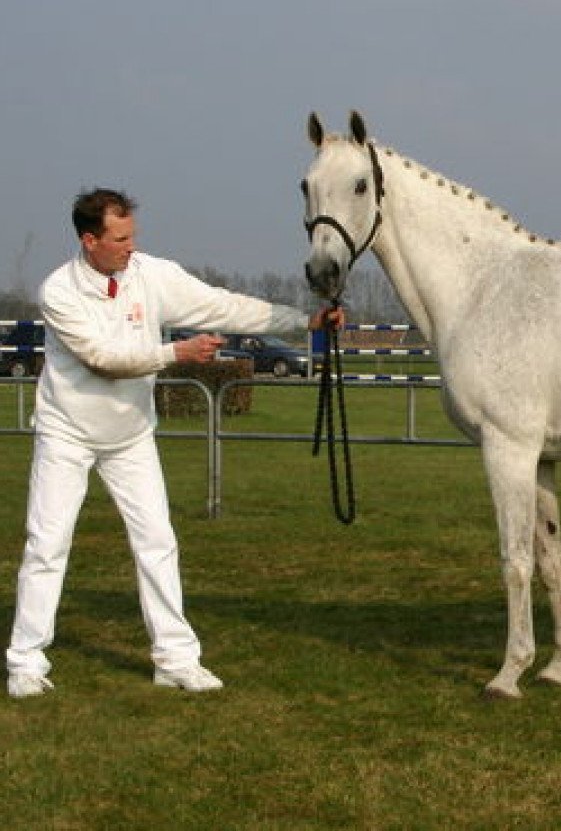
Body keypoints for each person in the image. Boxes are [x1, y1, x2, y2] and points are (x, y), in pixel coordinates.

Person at [7, 188, 342, 698]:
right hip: (66, 433)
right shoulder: (59, 291)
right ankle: (26, 664)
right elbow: (103, 357)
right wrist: (176, 352)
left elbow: (222, 306)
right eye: (119, 239)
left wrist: (304, 321)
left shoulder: (151, 274)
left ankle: (176, 659)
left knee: (157, 543)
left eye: (133, 236)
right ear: (89, 239)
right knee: (47, 546)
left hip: (131, 436)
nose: (130, 247)